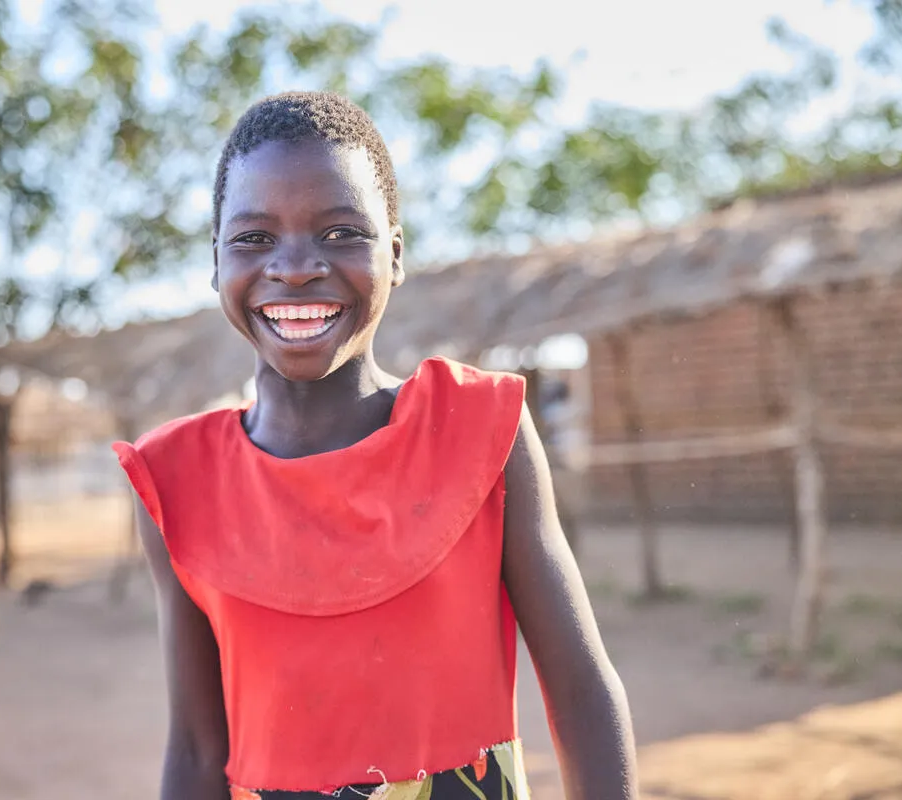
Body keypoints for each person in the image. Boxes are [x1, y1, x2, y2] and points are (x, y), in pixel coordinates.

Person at [113, 92, 637, 800]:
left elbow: (580, 692)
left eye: (339, 233)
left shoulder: (482, 430)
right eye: (253, 239)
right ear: (215, 263)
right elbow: (200, 752)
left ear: (394, 254)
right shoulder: (176, 481)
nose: (295, 267)